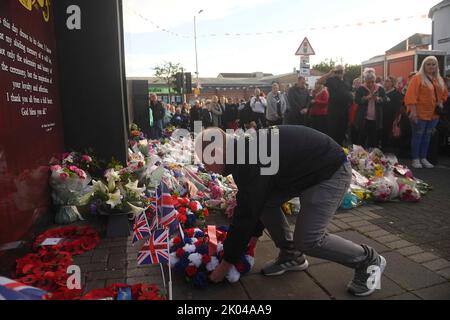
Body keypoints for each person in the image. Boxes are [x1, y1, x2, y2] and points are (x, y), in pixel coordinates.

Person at [195, 126, 386, 297]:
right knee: (267, 203)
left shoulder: (248, 160)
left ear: (217, 153)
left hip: (329, 172)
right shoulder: (243, 154)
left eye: (205, 161)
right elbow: (256, 203)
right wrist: (249, 240)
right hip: (305, 171)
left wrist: (224, 266)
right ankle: (291, 255)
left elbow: (246, 213)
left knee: (309, 240)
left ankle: (368, 260)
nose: (205, 167)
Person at [405, 56, 448, 169]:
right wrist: (413, 112)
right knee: (418, 136)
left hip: (433, 115)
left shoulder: (438, 79)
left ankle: (423, 158)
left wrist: (440, 102)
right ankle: (415, 159)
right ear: (423, 65)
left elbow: (444, 93)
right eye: (428, 64)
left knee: (427, 136)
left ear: (437, 66)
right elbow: (410, 96)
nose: (431, 66)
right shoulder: (417, 78)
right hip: (419, 113)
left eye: (433, 64)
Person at [317, 65, 353, 146]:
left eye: (341, 71)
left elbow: (349, 91)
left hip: (345, 109)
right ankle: (332, 148)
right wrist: (329, 73)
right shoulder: (331, 80)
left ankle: (341, 148)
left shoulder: (347, 80)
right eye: (338, 71)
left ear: (344, 71)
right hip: (334, 109)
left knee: (343, 130)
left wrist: (350, 97)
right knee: (333, 130)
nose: (340, 72)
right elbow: (319, 81)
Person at [355, 68, 387, 149]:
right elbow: (356, 100)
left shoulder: (380, 89)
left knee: (374, 140)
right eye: (368, 82)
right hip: (363, 118)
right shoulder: (361, 88)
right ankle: (359, 158)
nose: (370, 84)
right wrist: (366, 98)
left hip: (376, 119)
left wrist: (378, 99)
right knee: (361, 139)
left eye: (372, 82)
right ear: (365, 81)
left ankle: (372, 159)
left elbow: (385, 100)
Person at [382, 76, 403, 151]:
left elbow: (398, 106)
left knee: (389, 135)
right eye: (385, 81)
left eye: (387, 81)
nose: (385, 82)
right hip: (382, 117)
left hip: (391, 117)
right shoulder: (382, 92)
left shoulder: (396, 93)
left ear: (392, 83)